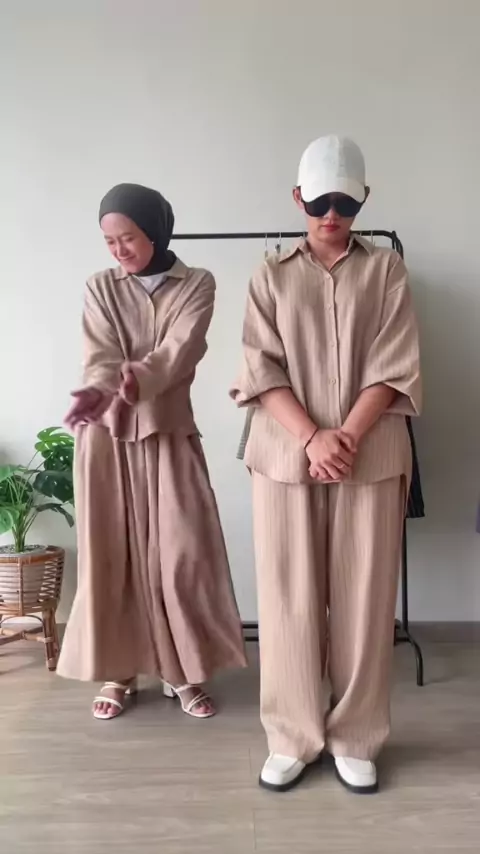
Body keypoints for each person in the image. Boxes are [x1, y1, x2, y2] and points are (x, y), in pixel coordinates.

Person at [231, 135, 421, 793]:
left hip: (372, 454)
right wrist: (313, 436)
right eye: (318, 202)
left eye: (345, 202)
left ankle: (356, 735)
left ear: (364, 198)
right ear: (298, 198)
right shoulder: (269, 274)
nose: (331, 215)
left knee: (366, 599)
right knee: (287, 599)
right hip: (284, 457)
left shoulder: (387, 271)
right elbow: (259, 367)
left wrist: (346, 437)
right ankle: (291, 734)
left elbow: (395, 364)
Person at [58, 183, 246, 720]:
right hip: (106, 437)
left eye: (129, 237)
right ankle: (118, 671)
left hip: (168, 432)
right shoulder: (100, 287)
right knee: (112, 555)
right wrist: (105, 388)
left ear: (157, 231)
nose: (119, 249)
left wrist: (132, 379)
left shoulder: (197, 283)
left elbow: (180, 351)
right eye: (109, 241)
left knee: (182, 555)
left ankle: (180, 670)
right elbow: (99, 355)